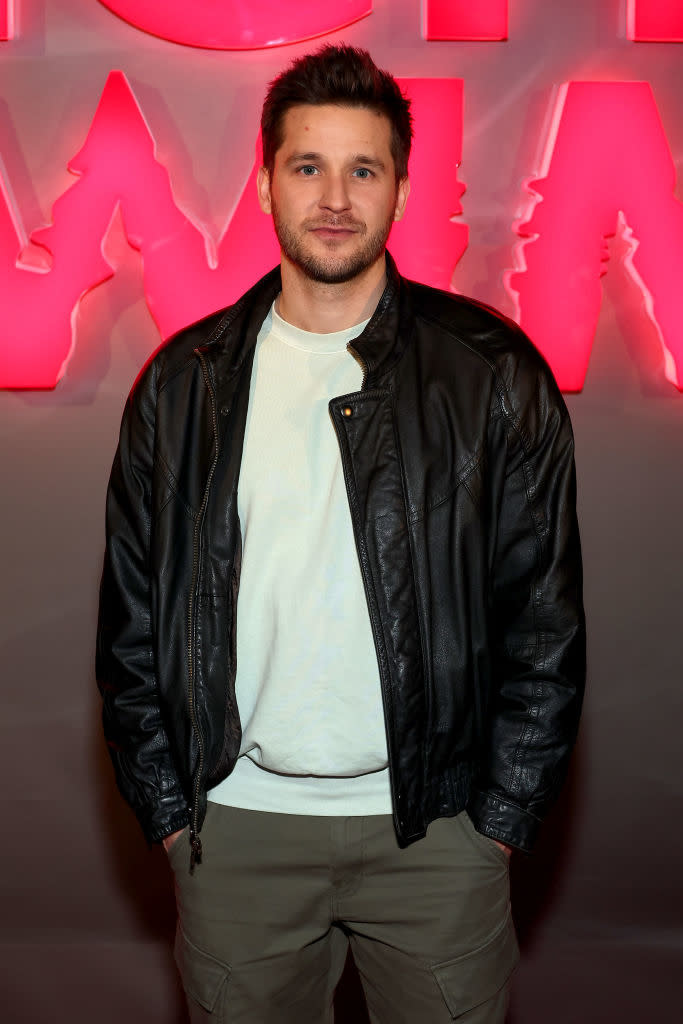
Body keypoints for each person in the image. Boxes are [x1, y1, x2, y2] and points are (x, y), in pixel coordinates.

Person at [97, 44, 585, 1024]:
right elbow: (131, 628)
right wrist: (170, 814)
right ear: (266, 181)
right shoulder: (183, 385)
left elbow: (543, 621)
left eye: (362, 168)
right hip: (237, 836)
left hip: (434, 836)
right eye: (306, 165)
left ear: (400, 190)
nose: (333, 196)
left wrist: (494, 821)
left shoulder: (490, 374)